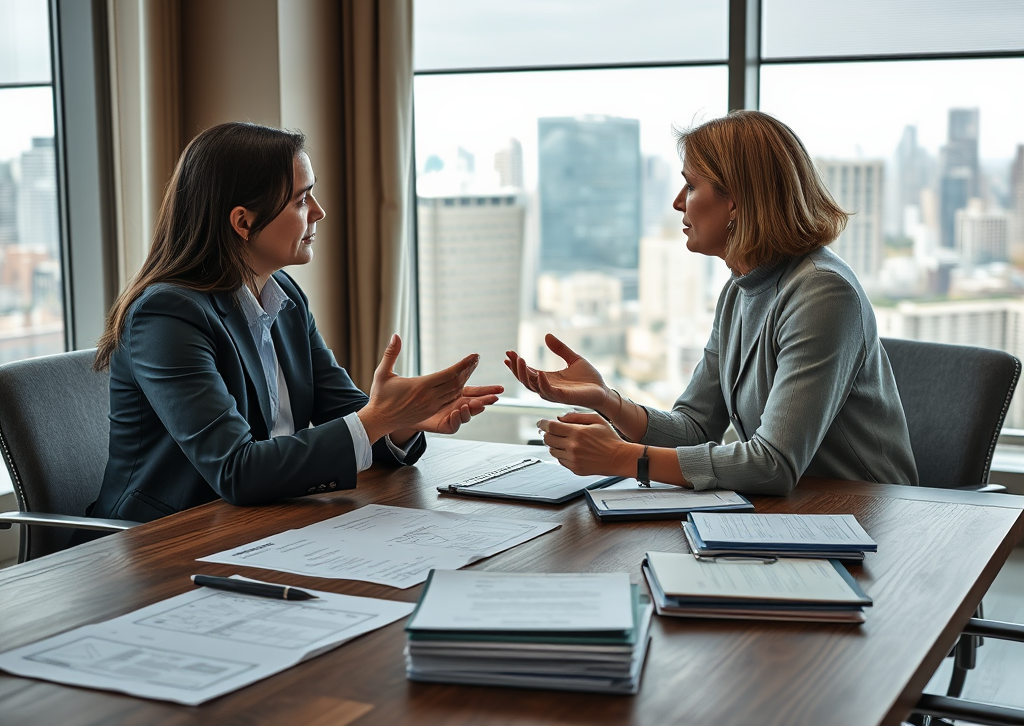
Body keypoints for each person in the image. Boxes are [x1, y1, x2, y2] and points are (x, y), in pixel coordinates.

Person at [85, 121, 502, 526]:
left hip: (263, 520)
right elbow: (237, 469)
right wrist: (377, 419)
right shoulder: (166, 316)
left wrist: (402, 421)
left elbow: (346, 412)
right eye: (302, 201)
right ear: (243, 222)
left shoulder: (284, 296)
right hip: (164, 542)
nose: (319, 212)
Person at [506, 110, 917, 496]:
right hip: (788, 515)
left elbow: (772, 464)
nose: (677, 202)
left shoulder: (823, 293)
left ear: (735, 200)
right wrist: (606, 399)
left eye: (691, 185)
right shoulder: (739, 291)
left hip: (864, 517)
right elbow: (695, 427)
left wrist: (619, 457)